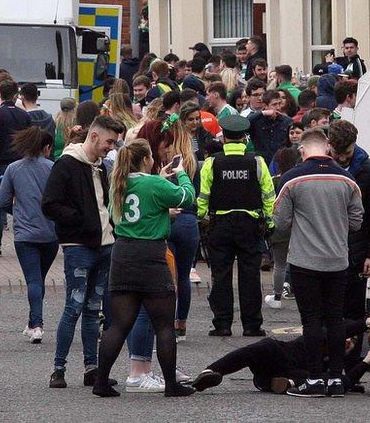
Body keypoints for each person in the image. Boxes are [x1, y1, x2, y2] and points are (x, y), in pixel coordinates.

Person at [91, 139, 196, 398]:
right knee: (163, 325)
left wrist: (160, 208)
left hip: (123, 252)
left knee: (119, 324)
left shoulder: (119, 182)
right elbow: (187, 196)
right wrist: (181, 172)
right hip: (151, 254)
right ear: (146, 159)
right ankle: (171, 385)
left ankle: (101, 381)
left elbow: (121, 216)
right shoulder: (155, 184)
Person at [272, 128, 363, 398]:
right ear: (328, 148)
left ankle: (314, 379)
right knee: (335, 319)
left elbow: (280, 223)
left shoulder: (291, 180)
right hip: (338, 260)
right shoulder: (348, 180)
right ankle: (336, 378)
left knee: (311, 320)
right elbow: (357, 222)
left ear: (302, 149)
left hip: (304, 261)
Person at [42, 115, 125, 389]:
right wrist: (80, 220)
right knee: (74, 307)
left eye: (114, 143)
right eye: (109, 142)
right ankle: (58, 369)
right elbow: (50, 204)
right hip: (78, 247)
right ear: (93, 136)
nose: (111, 148)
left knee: (92, 310)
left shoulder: (101, 167)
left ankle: (92, 369)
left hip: (105, 245)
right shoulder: (66, 164)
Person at [191, 308, 370, 394]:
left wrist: (368, 359)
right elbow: (333, 332)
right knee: (260, 348)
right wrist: (368, 322)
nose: (349, 341)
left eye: (352, 342)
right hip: (275, 355)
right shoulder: (318, 336)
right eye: (346, 337)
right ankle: (211, 372)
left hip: (281, 373)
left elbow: (346, 382)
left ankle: (276, 384)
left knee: (327, 380)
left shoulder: (332, 363)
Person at [197, 115, 275, 337]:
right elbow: (268, 195)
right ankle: (252, 325)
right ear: (244, 138)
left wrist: (201, 216)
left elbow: (203, 196)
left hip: (220, 224)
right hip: (250, 224)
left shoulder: (212, 163)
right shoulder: (257, 162)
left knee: (220, 275)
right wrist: (269, 221)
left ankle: (222, 324)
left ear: (224, 139)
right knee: (250, 275)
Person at [327, 120, 370, 371]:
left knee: (354, 315)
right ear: (329, 145)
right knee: (325, 313)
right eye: (337, 154)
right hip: (326, 251)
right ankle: (325, 364)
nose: (341, 159)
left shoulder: (369, 170)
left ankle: (351, 368)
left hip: (355, 254)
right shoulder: (320, 166)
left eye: (347, 154)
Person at [0, 127, 58, 344]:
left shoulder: (13, 169)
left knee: (33, 280)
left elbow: (3, 200)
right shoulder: (53, 168)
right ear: (47, 147)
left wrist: (19, 212)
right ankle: (33, 322)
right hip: (50, 232)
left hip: (25, 234)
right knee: (39, 279)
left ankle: (37, 324)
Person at [0, 79, 31, 257]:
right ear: (16, 95)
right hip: (21, 164)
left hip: (1, 165)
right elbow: (29, 140)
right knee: (22, 203)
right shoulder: (24, 115)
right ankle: (23, 241)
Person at [263, 147, 301, 310]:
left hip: (279, 226)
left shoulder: (273, 181)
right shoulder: (300, 180)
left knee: (279, 264)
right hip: (299, 227)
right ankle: (300, 294)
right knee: (300, 264)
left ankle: (277, 297)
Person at [247, 90, 292, 164]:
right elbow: (245, 123)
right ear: (265, 106)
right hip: (262, 163)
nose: (278, 107)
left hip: (280, 163)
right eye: (274, 104)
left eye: (279, 104)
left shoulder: (287, 121)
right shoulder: (257, 121)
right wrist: (262, 113)